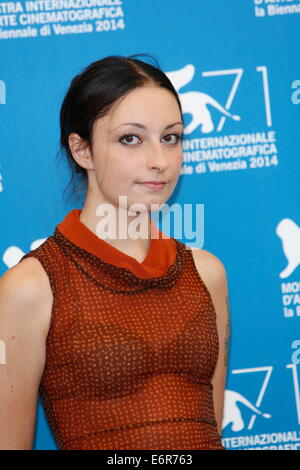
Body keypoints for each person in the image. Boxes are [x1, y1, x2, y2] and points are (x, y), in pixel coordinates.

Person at [0, 54, 230, 450]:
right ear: (82, 150)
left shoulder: (206, 274)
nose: (159, 161)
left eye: (171, 137)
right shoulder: (32, 287)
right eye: (131, 139)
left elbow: (209, 427)